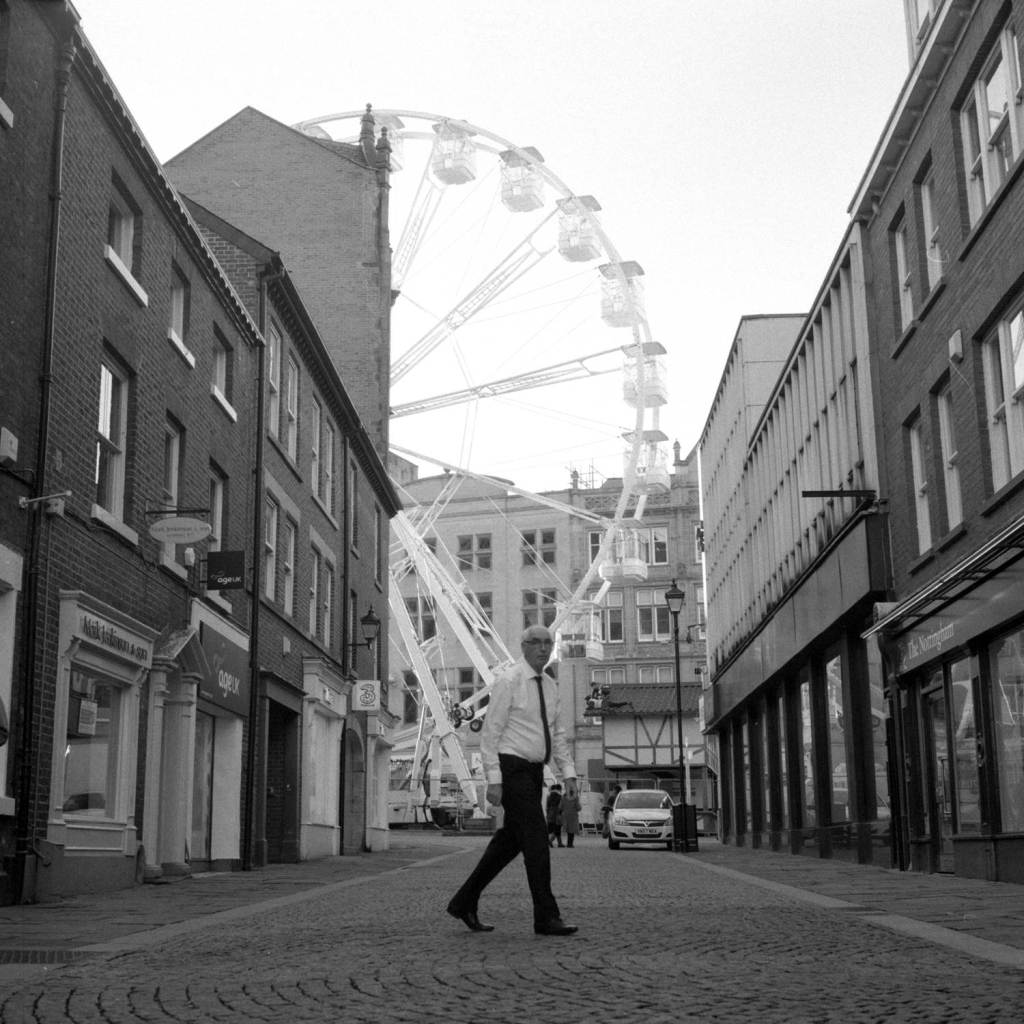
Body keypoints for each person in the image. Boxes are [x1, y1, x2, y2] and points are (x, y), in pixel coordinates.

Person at [446, 624, 579, 936]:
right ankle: (546, 917)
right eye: (537, 642)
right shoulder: (509, 680)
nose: (544, 648)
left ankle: (463, 901)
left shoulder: (549, 685)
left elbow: (556, 734)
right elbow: (491, 733)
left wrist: (568, 772)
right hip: (511, 768)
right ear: (524, 646)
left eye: (549, 642)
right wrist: (494, 779)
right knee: (536, 840)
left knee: (508, 843)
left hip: (533, 772)